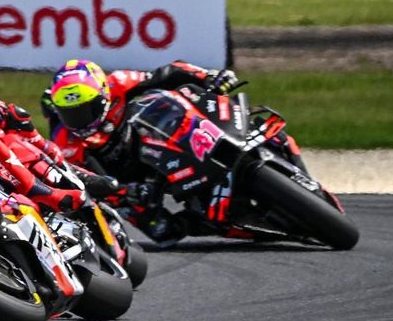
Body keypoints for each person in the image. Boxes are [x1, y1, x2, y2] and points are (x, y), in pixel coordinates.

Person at [39, 58, 305, 243]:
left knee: (272, 132)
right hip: (135, 177)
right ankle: (221, 223)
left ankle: (299, 175)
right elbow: (85, 182)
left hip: (167, 136)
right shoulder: (66, 142)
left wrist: (209, 76)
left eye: (87, 108)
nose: (80, 119)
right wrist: (122, 192)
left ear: (104, 95)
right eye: (70, 113)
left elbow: (169, 72)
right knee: (163, 232)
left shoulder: (121, 81)